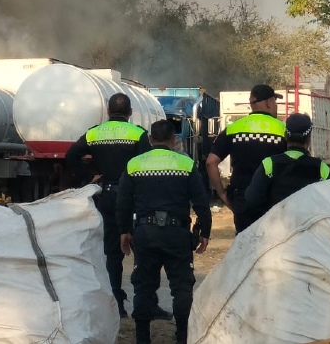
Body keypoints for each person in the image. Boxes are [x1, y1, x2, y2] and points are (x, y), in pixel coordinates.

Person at [117, 120, 211, 344]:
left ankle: (142, 338)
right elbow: (201, 202)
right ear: (174, 140)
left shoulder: (134, 165)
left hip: (145, 232)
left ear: (150, 140)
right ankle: (182, 337)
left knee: (143, 287)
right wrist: (205, 231)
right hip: (176, 233)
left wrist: (124, 232)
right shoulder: (186, 164)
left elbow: (123, 203)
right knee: (181, 288)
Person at [65, 92, 151, 319]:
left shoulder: (94, 133)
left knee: (112, 254)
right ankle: (146, 302)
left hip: (107, 197)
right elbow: (147, 164)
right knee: (143, 251)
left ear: (107, 111)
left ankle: (117, 305)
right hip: (134, 198)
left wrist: (90, 174)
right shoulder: (138, 134)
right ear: (130, 112)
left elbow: (71, 155)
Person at [205, 83, 287, 233]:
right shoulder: (283, 130)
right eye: (275, 101)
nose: (275, 105)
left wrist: (222, 194)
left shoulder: (233, 129)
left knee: (245, 245)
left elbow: (211, 162)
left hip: (241, 198)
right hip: (272, 199)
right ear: (269, 102)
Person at [243, 113, 330, 220]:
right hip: (309, 232)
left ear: (285, 135)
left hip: (276, 229)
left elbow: (251, 200)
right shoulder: (321, 168)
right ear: (309, 139)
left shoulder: (269, 164)